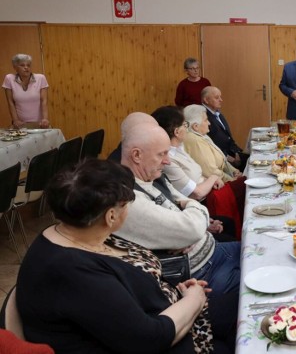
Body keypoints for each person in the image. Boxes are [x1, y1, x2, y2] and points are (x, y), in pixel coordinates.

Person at [16, 159, 209, 353]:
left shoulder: (76, 230)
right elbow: (148, 339)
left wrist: (177, 292)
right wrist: (194, 300)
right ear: (111, 216)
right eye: (126, 205)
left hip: (172, 309)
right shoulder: (74, 273)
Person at [116, 122, 241, 300]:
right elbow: (192, 225)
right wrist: (190, 223)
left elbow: (189, 204)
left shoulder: (153, 176)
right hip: (200, 277)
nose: (167, 161)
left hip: (213, 251)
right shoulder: (128, 197)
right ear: (136, 155)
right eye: (162, 154)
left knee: (266, 251)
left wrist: (190, 220)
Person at [151, 105, 240, 241]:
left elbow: (198, 173)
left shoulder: (179, 148)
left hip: (204, 199)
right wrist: (213, 178)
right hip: (202, 201)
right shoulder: (169, 159)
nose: (187, 128)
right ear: (176, 131)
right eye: (185, 124)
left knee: (232, 219)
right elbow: (195, 192)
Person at [201, 86, 249, 170]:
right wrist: (230, 158)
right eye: (216, 97)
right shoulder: (204, 117)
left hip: (232, 152)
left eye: (220, 97)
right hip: (223, 159)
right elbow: (210, 144)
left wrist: (237, 152)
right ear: (206, 100)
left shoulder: (217, 113)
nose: (221, 100)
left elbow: (228, 137)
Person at [3, 54, 49, 129]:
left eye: (28, 65)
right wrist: (15, 120)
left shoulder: (40, 78)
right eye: (22, 65)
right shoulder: (9, 79)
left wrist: (45, 119)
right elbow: (10, 102)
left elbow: (44, 101)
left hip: (39, 123)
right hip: (20, 124)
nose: (26, 67)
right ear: (15, 67)